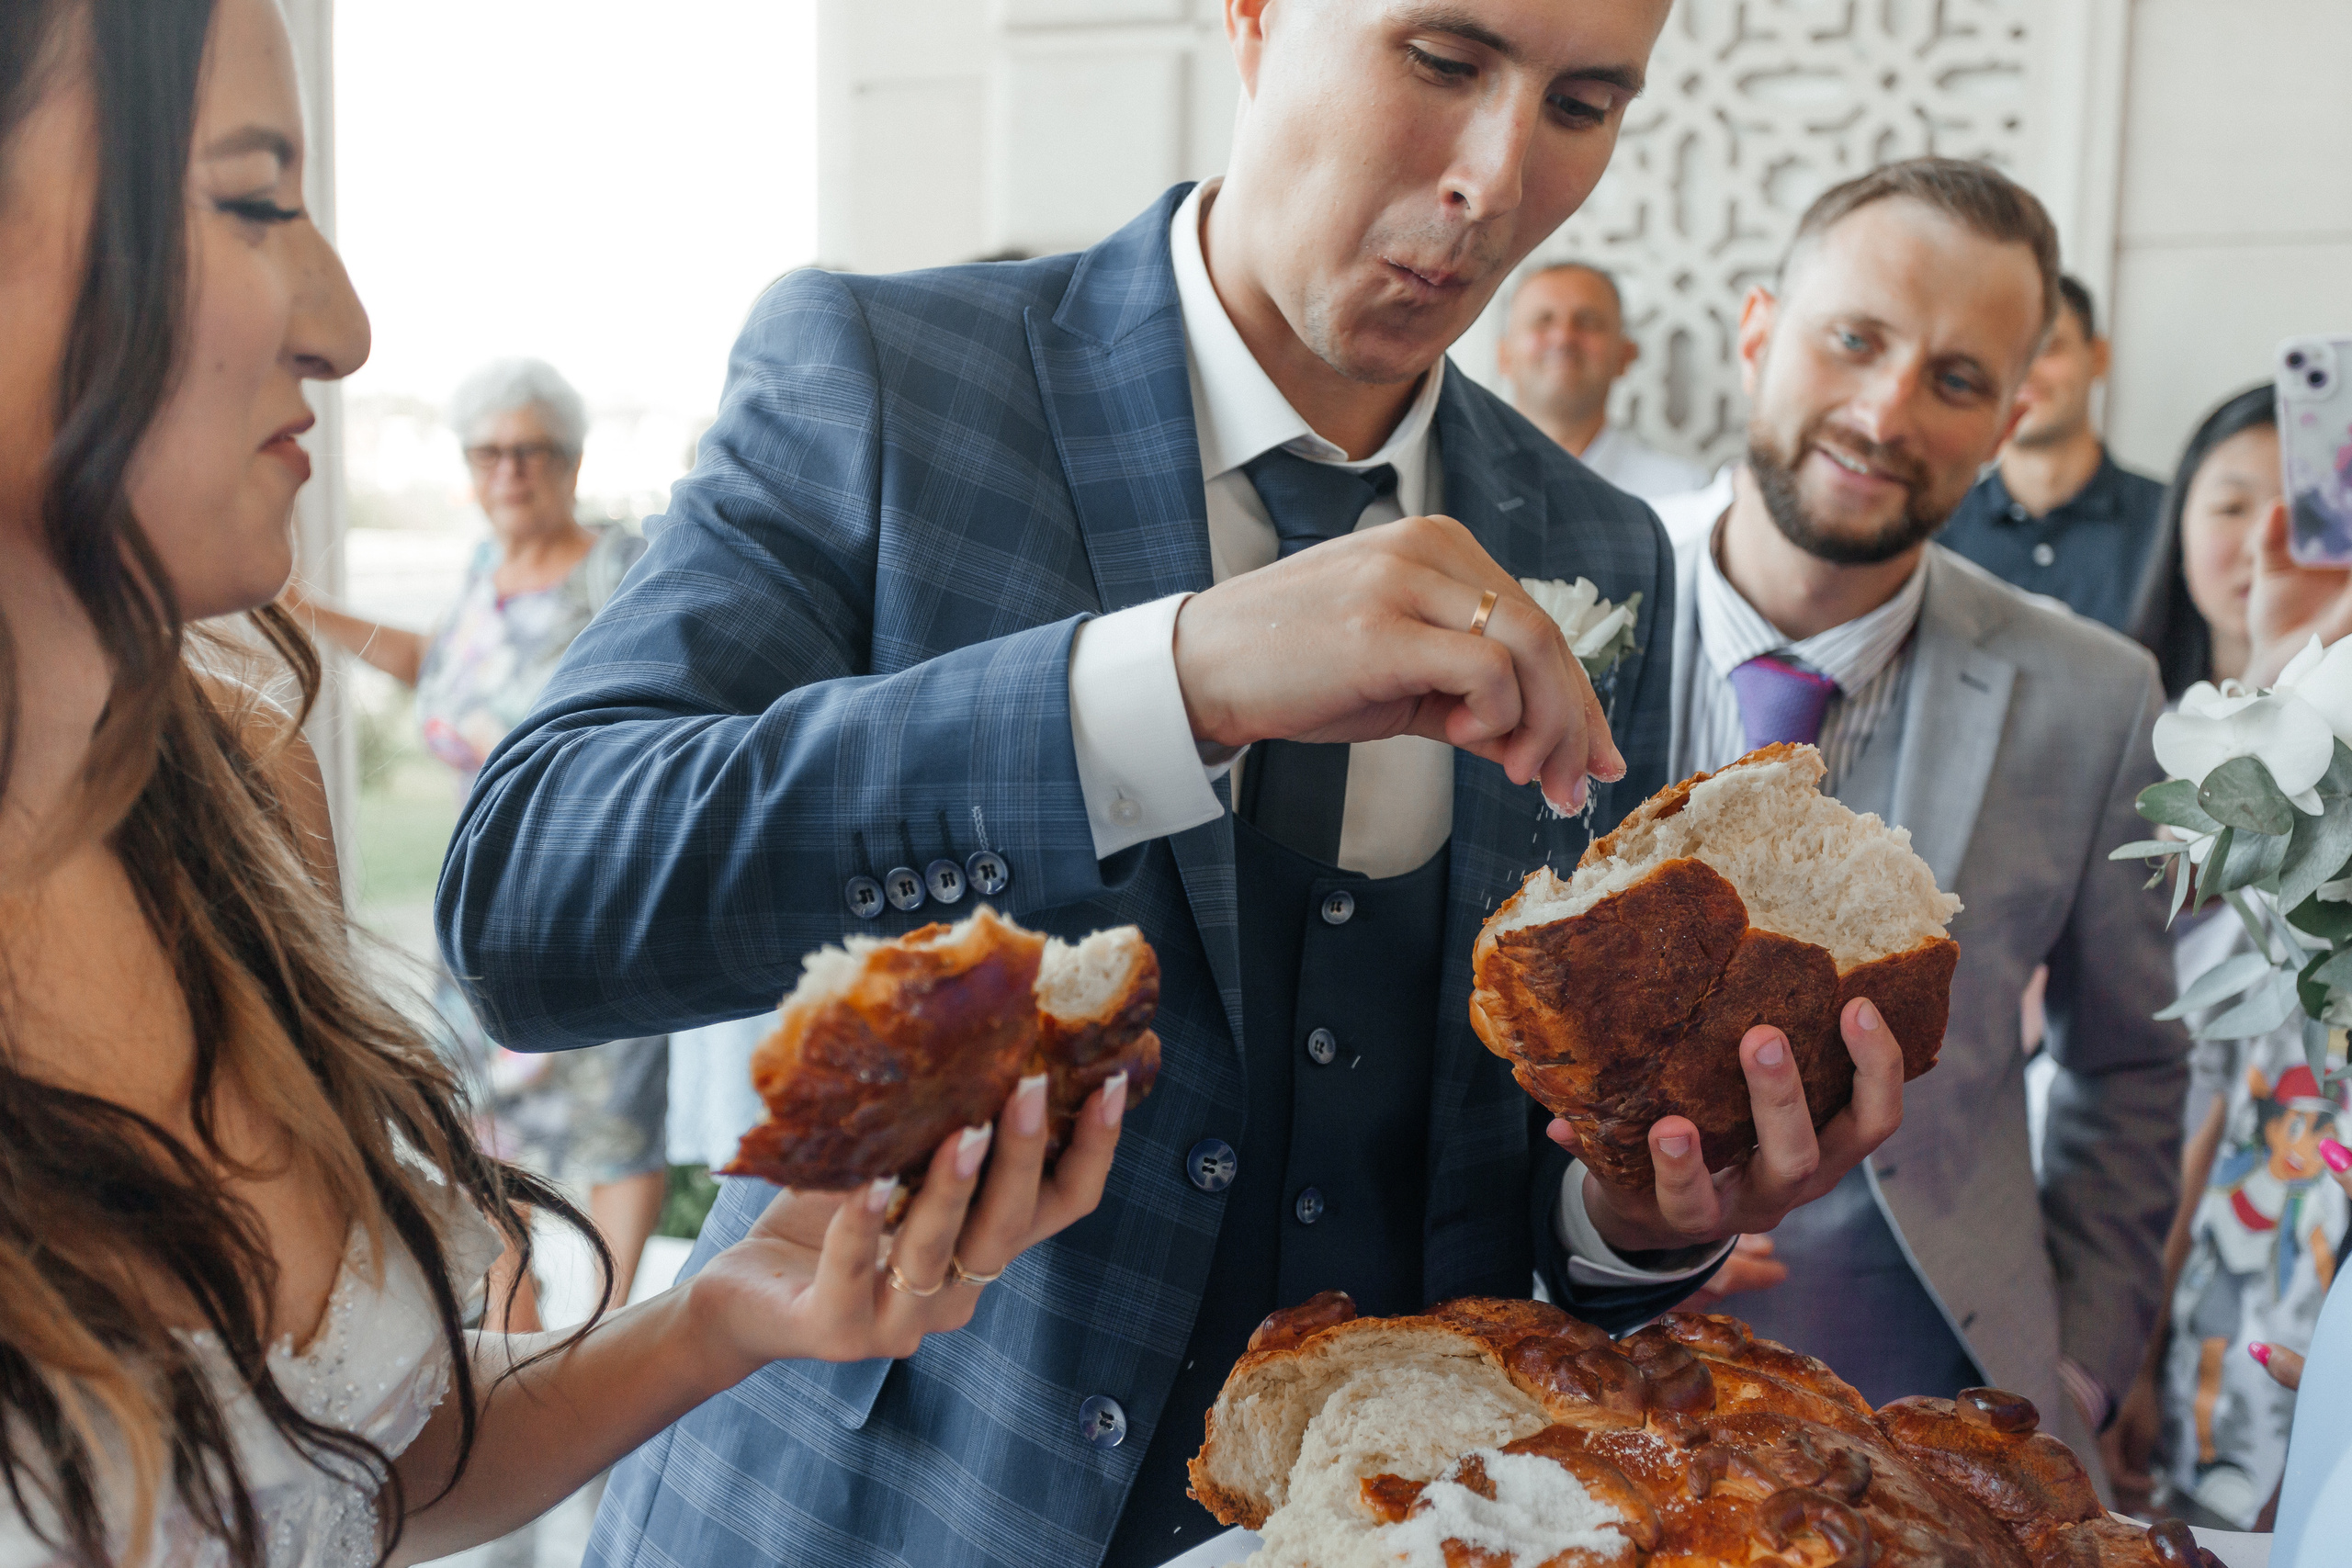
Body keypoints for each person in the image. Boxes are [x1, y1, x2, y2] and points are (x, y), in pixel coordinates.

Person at [435, 4, 1926, 1563]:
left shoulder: (1603, 547)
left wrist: (1637, 1217)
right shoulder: (887, 376)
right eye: (1443, 60)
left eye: (1584, 100)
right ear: (1258, 19)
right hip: (867, 1514)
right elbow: (529, 901)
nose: (1498, 175)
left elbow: (1514, 1159)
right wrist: (1170, 679)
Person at [0, 3, 1121, 1565]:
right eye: (253, 199)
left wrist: (718, 1312)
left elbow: (350, 1480)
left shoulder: (230, 794)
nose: (345, 323)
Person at [1657, 158, 2189, 1486]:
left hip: (1928, 1389)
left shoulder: (2096, 693)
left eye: (1957, 380)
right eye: (1856, 339)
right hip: (1570, 1346)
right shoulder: (1548, 613)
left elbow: (2129, 1063)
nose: (1886, 408)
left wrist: (2078, 1359)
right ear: (1760, 329)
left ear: (2011, 417)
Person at [283, 358, 670, 1323]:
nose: (509, 471)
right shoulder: (478, 577)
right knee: (478, 1109)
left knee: (612, 1106)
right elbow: (436, 667)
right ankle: (514, 1306)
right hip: (484, 895)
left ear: (571, 463)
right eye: (489, 452)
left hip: (593, 884)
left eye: (530, 450)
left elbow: (661, 697)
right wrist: (305, 612)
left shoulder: (615, 568)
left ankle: (613, 1323)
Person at [1936, 275, 2166, 632]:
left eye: (2047, 348)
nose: (2024, 373)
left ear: (2099, 357)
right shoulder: (1935, 527)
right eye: (2002, 352)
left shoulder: (2171, 523)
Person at [1495, 260, 1708, 497]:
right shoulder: (1458, 483)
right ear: (1504, 356)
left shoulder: (1684, 493)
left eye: (1588, 322)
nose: (1564, 338)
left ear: (1625, 355)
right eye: (1543, 321)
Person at [2128, 385, 2280, 700]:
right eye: (2231, 507)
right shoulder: (2122, 705)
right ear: (2179, 522)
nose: (2264, 544)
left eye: (2303, 514)